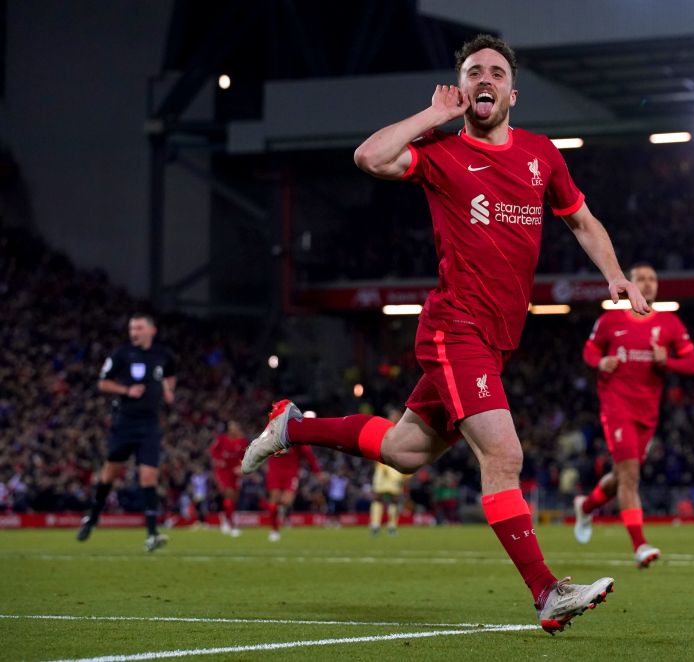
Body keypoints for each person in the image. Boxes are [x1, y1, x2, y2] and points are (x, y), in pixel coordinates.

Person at [242, 34, 648, 634]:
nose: (486, 78)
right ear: (463, 88)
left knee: (406, 453)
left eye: (497, 72)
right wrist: (433, 115)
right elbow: (370, 157)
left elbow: (583, 221)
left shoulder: (542, 155)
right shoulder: (440, 151)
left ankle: (291, 425)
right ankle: (546, 592)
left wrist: (615, 276)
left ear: (514, 91)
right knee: (503, 456)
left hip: (498, 337)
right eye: (474, 71)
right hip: (455, 327)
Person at [573, 263, 694, 567]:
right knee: (630, 476)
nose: (648, 283)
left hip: (648, 411)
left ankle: (586, 506)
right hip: (616, 405)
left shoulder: (670, 323)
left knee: (621, 476)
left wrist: (666, 360)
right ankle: (640, 545)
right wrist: (601, 362)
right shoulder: (609, 320)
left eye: (653, 278)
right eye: (641, 278)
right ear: (629, 284)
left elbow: (693, 364)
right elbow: (589, 352)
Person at [77, 313, 177, 552]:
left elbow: (170, 375)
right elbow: (103, 382)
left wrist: (168, 390)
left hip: (150, 425)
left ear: (151, 330)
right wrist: (126, 389)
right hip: (124, 423)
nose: (134, 332)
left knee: (148, 477)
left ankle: (152, 534)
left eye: (139, 328)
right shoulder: (121, 354)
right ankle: (92, 517)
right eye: (132, 328)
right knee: (110, 473)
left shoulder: (164, 355)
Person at [265, 444, 322, 542]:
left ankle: (283, 512)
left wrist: (316, 471)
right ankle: (275, 530)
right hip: (275, 471)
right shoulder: (273, 433)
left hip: (291, 473)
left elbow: (307, 453)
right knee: (274, 501)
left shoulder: (296, 436)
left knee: (287, 501)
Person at [209, 420, 246, 536]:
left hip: (235, 472)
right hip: (223, 471)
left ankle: (225, 518)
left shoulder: (242, 441)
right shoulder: (222, 439)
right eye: (231, 427)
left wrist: (241, 467)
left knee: (234, 497)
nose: (233, 429)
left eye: (234, 427)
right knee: (228, 493)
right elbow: (213, 451)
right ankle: (231, 525)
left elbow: (246, 456)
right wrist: (218, 461)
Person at [369, 461, 407, 535]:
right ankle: (382, 526)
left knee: (386, 500)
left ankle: (383, 526)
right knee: (382, 499)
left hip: (391, 468)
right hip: (388, 468)